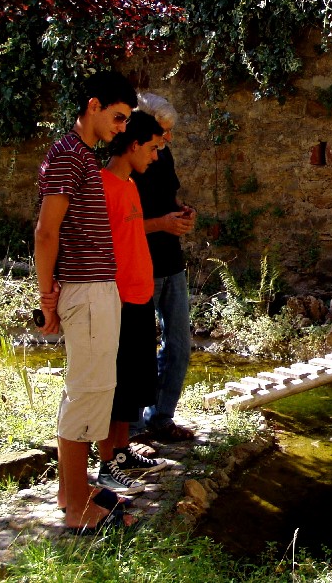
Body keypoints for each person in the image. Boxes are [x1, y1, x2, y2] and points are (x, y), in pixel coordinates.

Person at [34, 70, 138, 534]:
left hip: (96, 289)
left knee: (87, 390)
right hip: (87, 292)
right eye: (118, 117)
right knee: (88, 393)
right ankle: (76, 506)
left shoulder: (78, 156)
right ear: (93, 105)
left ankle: (69, 491)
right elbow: (45, 231)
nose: (122, 128)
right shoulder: (68, 156)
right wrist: (46, 296)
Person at [96, 111, 169, 494]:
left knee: (133, 384)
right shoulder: (102, 185)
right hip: (117, 301)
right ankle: (106, 466)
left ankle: (122, 453)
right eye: (153, 148)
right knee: (114, 387)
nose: (155, 157)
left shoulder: (129, 185)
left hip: (139, 298)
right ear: (135, 144)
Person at [130, 93, 196, 442]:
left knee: (180, 346)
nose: (167, 140)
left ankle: (161, 419)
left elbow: (169, 197)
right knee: (139, 349)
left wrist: (183, 213)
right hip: (142, 264)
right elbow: (122, 223)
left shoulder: (163, 155)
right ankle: (132, 428)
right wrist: (162, 224)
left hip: (171, 261)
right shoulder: (124, 163)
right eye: (163, 132)